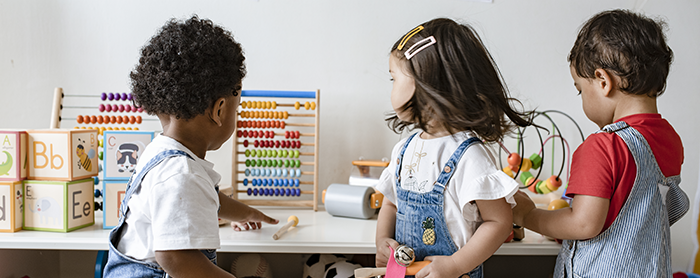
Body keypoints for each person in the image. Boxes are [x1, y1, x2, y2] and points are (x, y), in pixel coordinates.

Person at [512, 9, 689, 277]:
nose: (582, 97)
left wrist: (527, 215)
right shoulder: (670, 141)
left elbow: (583, 224)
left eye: (580, 89)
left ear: (603, 81)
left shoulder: (602, 146)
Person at [104, 16, 278, 278]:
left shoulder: (162, 154)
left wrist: (246, 213)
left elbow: (209, 198)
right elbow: (175, 258)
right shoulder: (182, 174)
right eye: (237, 105)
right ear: (220, 110)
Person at [375, 18, 535, 278]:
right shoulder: (404, 149)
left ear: (426, 85)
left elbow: (499, 221)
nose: (391, 87)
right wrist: (382, 241)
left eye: (394, 78)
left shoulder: (469, 156)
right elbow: (391, 204)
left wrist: (455, 265)